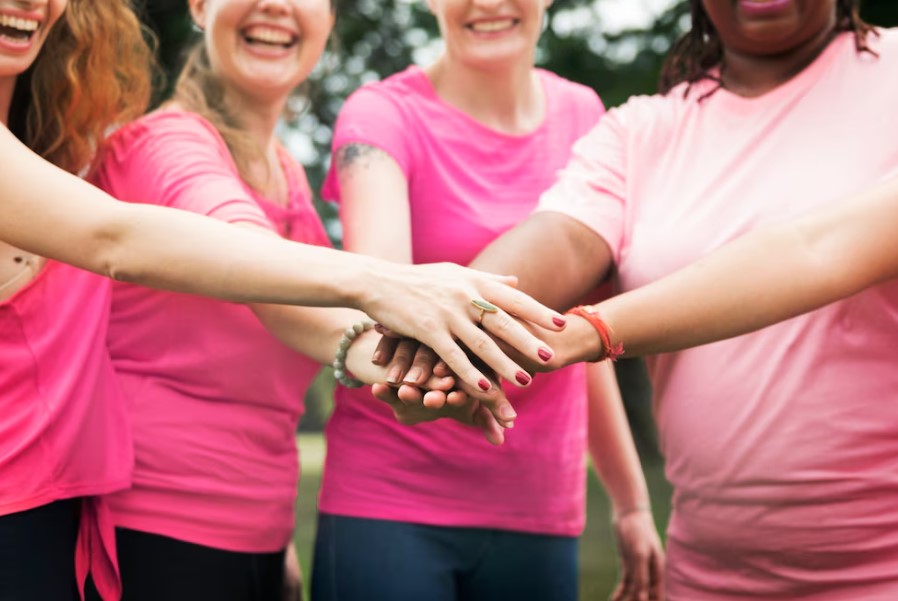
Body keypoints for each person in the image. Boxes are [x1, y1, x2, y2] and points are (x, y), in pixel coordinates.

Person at [0, 1, 562, 599]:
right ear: (197, 7)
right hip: (155, 531)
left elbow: (313, 323)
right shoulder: (165, 144)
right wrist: (387, 283)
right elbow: (213, 259)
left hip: (245, 532)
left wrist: (412, 371)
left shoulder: (287, 170)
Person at [430, 1, 898, 598]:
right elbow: (561, 239)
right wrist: (442, 329)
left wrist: (590, 331)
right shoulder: (643, 130)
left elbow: (818, 251)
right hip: (705, 574)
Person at [312, 1, 664, 600]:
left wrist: (631, 502)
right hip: (389, 499)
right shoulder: (381, 116)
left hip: (539, 504)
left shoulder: (584, 114)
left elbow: (574, 332)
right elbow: (385, 297)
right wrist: (420, 390)